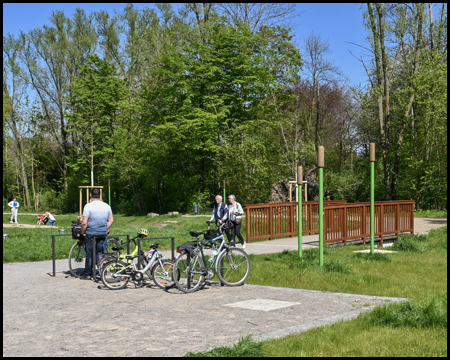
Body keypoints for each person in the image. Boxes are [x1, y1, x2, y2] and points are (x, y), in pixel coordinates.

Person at [80, 188, 114, 280]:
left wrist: (83, 232)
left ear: (90, 195)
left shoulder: (88, 206)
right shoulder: (107, 206)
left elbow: (84, 222)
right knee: (99, 251)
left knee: (90, 253)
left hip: (91, 232)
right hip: (102, 233)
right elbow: (111, 220)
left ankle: (87, 273)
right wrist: (105, 228)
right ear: (100, 195)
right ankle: (101, 271)